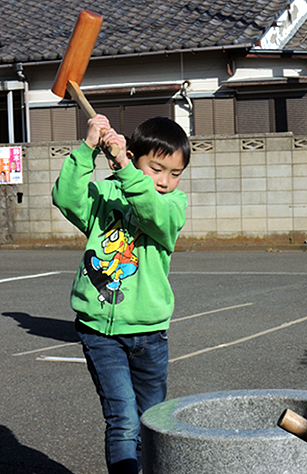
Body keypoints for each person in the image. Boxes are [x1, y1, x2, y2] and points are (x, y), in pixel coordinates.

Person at [52, 114, 190, 474]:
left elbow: (152, 215)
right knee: (124, 420)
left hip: (150, 333)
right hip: (100, 333)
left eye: (174, 174)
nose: (164, 181)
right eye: (157, 169)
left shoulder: (173, 206)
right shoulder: (103, 196)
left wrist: (128, 170)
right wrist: (88, 148)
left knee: (151, 421)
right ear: (135, 156)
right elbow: (65, 198)